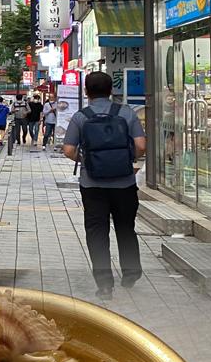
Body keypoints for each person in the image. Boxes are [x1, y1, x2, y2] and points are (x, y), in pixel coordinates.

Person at [62, 71, 147, 300]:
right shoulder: (126, 113)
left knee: (97, 233)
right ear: (111, 90)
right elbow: (141, 145)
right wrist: (126, 159)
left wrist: (87, 160)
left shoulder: (81, 117)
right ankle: (131, 274)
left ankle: (105, 285)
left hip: (92, 185)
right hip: (124, 183)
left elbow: (68, 150)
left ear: (86, 92)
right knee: (125, 228)